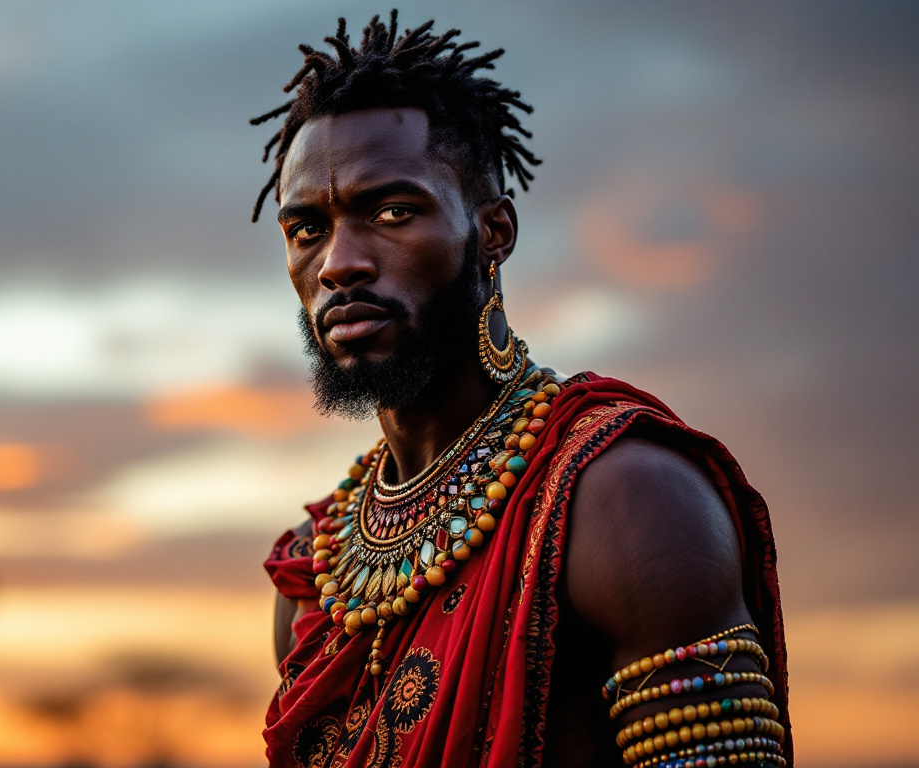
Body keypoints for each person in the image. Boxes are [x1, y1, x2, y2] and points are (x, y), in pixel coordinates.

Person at [253, 13, 790, 768]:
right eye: (306, 229)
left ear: (494, 233)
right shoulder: (317, 572)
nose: (339, 262)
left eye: (393, 212)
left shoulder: (627, 500)